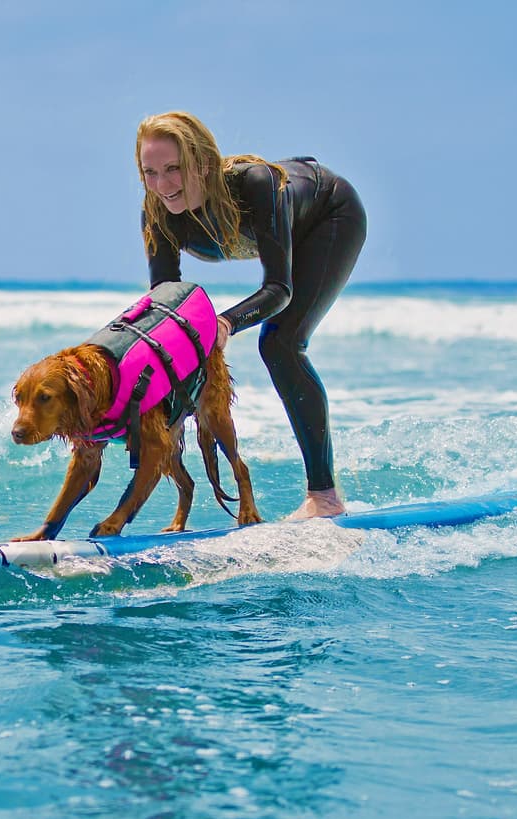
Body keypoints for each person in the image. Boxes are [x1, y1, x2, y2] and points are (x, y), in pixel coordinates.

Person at [135, 111, 366, 519]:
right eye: (150, 172)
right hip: (292, 218)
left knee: (280, 343)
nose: (163, 185)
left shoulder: (255, 185)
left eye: (174, 169)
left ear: (203, 164)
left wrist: (225, 323)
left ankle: (325, 498)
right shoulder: (157, 213)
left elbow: (280, 289)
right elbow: (165, 303)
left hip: (330, 214)